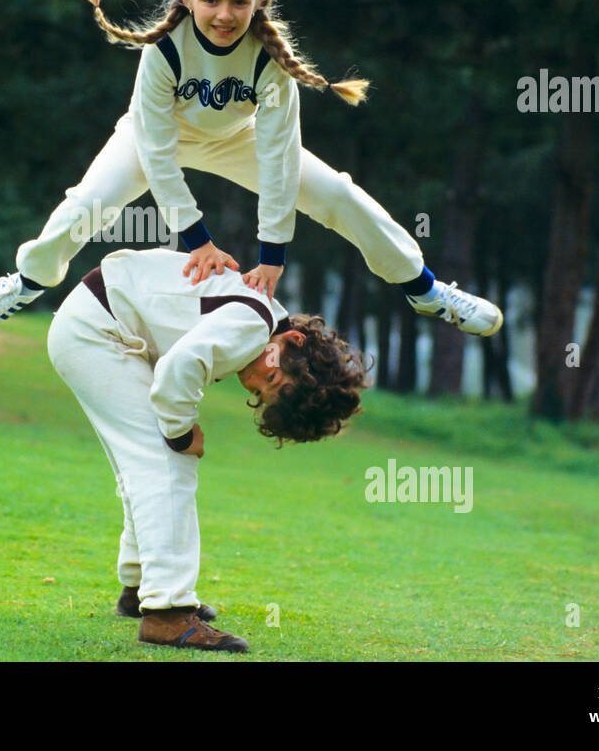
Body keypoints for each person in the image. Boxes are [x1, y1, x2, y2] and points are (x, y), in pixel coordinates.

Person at [0, 0, 502, 338]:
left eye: (240, 2)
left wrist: (273, 254)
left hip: (236, 139)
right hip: (157, 138)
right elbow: (156, 152)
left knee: (339, 194)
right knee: (86, 206)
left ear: (259, 1)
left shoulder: (269, 58)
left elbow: (280, 158)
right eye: (212, 0)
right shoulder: (164, 50)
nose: (225, 14)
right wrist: (196, 239)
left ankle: (425, 289)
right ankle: (27, 281)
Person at [46, 247, 370, 653]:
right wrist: (182, 433)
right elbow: (179, 367)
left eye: (261, 393)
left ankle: (142, 588)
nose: (253, 382)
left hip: (96, 325)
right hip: (97, 330)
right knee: (167, 462)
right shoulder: (254, 324)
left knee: (145, 468)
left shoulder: (261, 323)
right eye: (271, 379)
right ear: (294, 341)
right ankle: (167, 613)